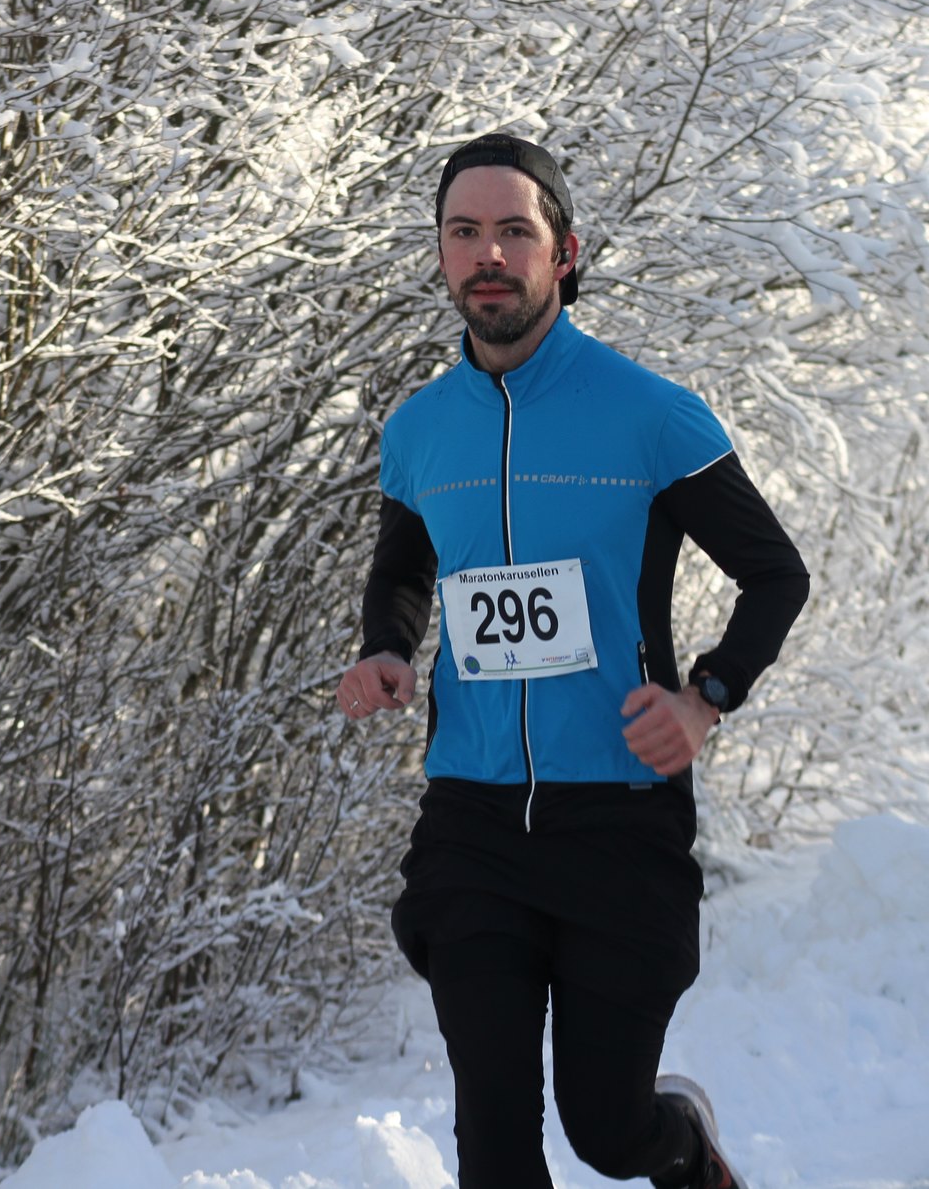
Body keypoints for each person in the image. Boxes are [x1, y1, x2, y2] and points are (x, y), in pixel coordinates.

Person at [338, 134, 809, 1188]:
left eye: (515, 231)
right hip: (471, 819)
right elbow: (404, 569)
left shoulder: (650, 415)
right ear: (441, 253)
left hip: (616, 819)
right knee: (494, 1144)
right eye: (465, 232)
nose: (488, 255)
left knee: (605, 1128)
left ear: (564, 251)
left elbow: (775, 575)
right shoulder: (418, 431)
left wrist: (704, 699)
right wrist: (385, 651)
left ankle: (681, 1148)